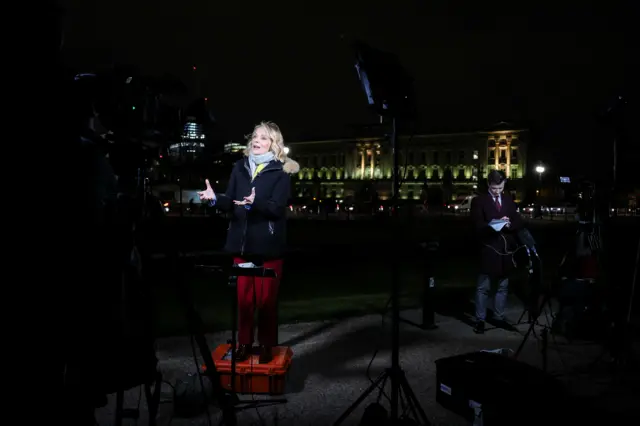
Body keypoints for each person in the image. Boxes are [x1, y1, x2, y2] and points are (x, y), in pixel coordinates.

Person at [198, 121, 299, 363]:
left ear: (274, 145)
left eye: (264, 138)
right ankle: (243, 344)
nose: (257, 140)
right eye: (255, 136)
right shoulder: (239, 168)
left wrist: (257, 204)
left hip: (268, 247)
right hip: (241, 246)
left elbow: (277, 209)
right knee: (244, 301)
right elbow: (231, 201)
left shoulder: (281, 171)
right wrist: (214, 200)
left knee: (266, 302)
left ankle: (266, 346)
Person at [470, 170, 523, 334]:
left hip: (506, 250)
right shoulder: (479, 201)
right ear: (488, 184)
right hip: (488, 248)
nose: (497, 191)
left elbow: (518, 220)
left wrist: (509, 224)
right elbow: (477, 225)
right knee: (483, 287)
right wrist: (493, 225)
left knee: (502, 286)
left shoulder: (508, 200)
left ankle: (499, 317)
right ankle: (480, 319)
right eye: (494, 188)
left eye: (500, 188)